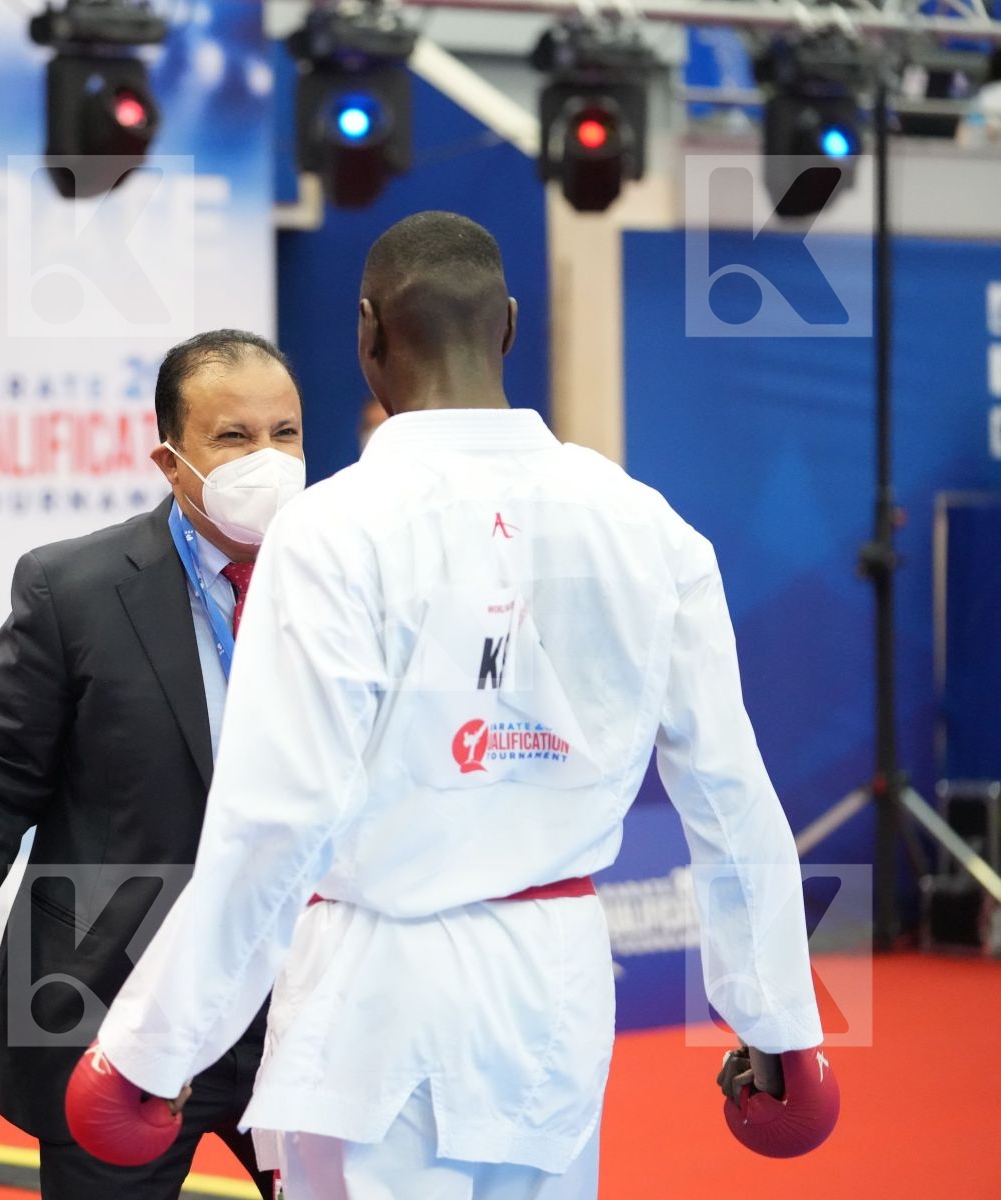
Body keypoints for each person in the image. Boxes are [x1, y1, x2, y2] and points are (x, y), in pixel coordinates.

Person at [70, 213, 831, 1198]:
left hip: (378, 992)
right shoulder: (647, 527)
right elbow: (729, 794)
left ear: (366, 334)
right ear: (510, 327)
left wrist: (151, 1050)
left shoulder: (331, 531)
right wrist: (779, 1030)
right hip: (554, 981)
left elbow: (275, 820)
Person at [0, 329, 305, 1200]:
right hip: (118, 1011)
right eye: (233, 438)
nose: (266, 459)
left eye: (285, 433)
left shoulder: (345, 581)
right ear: (170, 458)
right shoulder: (71, 588)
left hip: (301, 1004)